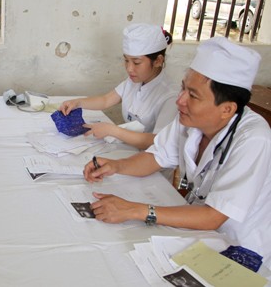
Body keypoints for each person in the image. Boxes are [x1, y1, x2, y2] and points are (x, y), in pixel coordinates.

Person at [83, 37, 271, 270]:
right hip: (197, 229)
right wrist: (116, 166)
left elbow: (214, 216)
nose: (180, 100)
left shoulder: (254, 139)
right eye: (183, 87)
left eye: (193, 95)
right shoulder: (189, 118)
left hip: (237, 247)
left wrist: (135, 210)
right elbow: (156, 157)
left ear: (227, 109)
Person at [59, 23, 178, 150]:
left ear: (158, 61)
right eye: (126, 60)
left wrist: (113, 131)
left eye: (136, 62)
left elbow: (157, 141)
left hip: (151, 161)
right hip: (130, 150)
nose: (129, 68)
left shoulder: (171, 97)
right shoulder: (134, 81)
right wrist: (77, 102)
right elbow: (105, 100)